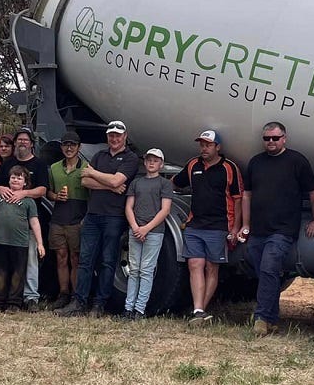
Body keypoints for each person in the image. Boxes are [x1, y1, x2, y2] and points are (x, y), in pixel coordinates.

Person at [240, 121, 314, 336]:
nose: (271, 142)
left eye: (275, 138)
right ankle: (272, 318)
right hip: (258, 230)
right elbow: (247, 195)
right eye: (267, 138)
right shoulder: (256, 162)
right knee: (264, 273)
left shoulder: (296, 161)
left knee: (269, 268)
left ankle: (261, 318)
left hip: (283, 230)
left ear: (284, 138)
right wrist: (246, 224)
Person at [57, 120, 139, 318]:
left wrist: (96, 174)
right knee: (85, 260)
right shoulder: (99, 155)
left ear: (125, 136)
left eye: (118, 135)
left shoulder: (131, 158)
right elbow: (85, 181)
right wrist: (110, 185)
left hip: (114, 216)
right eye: (111, 135)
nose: (114, 138)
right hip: (93, 215)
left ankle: (99, 304)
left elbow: (116, 180)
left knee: (108, 261)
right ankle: (79, 302)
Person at [172, 129, 241, 322]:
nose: (204, 148)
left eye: (208, 145)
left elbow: (237, 199)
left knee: (212, 267)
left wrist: (235, 227)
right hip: (195, 224)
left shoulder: (229, 168)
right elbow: (174, 183)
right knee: (195, 264)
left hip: (218, 225)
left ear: (218, 147)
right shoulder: (193, 165)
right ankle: (198, 310)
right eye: (202, 145)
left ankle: (201, 307)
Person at [0, 127, 50, 312]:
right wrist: (1, 189)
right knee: (4, 265)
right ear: (15, 143)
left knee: (29, 262)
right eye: (19, 140)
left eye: (26, 140)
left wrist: (24, 193)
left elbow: (43, 190)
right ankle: (3, 299)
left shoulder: (39, 164)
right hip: (4, 230)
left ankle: (30, 297)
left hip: (28, 222)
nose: (22, 142)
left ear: (31, 144)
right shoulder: (8, 163)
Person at [122, 148, 174, 320]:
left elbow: (165, 210)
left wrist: (146, 228)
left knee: (146, 270)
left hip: (154, 232)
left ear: (161, 164)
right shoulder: (136, 183)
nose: (152, 163)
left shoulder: (165, 184)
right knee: (134, 270)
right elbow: (129, 207)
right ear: (144, 162)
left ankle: (140, 309)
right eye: (149, 160)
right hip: (135, 230)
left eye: (155, 160)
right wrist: (135, 227)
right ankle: (128, 308)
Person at [0, 166, 44, 313]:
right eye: (13, 177)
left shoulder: (29, 201)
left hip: (20, 243)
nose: (15, 180)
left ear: (25, 183)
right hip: (0, 242)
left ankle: (14, 303)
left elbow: (34, 222)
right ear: (9, 180)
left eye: (19, 178)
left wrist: (40, 243)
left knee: (18, 274)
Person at [47, 130, 88, 310]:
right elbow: (48, 192)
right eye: (65, 144)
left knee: (75, 258)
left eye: (72, 145)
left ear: (79, 147)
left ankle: (75, 296)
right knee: (61, 257)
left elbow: (92, 195)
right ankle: (63, 293)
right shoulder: (54, 168)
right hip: (58, 218)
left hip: (77, 219)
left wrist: (86, 218)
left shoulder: (87, 168)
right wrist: (56, 196)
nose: (69, 148)